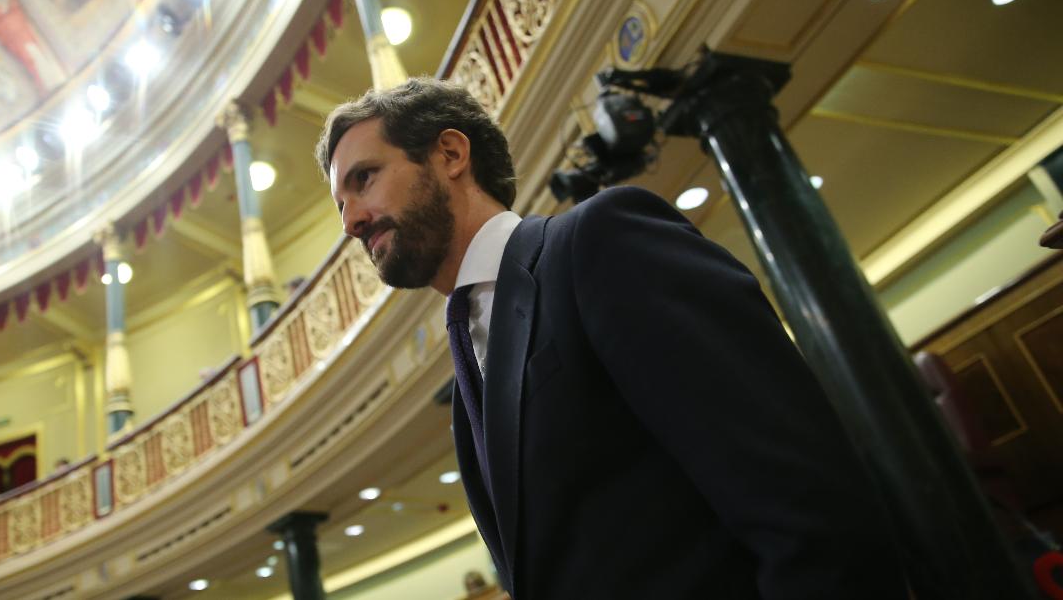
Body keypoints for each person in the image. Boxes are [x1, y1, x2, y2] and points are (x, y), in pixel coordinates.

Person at [317, 78, 910, 599]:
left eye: (364, 179)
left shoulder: (598, 242)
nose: (350, 221)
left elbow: (808, 504)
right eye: (342, 204)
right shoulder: (467, 358)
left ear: (449, 153)